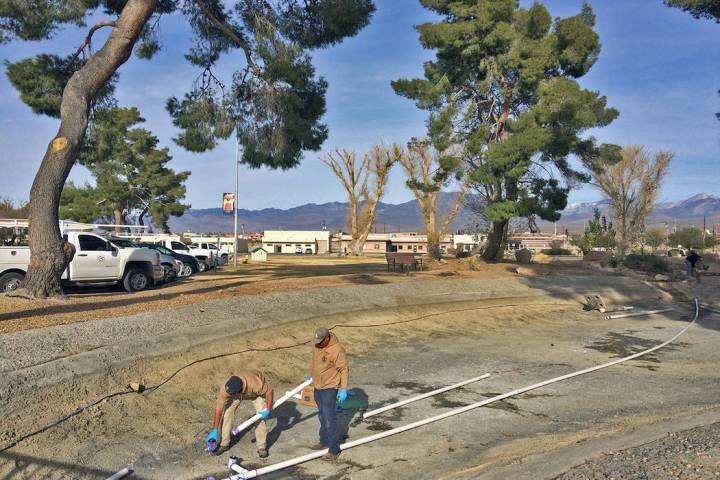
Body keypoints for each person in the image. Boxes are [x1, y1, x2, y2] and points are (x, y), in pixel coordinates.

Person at [205, 370, 274, 458]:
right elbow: (219, 409)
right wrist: (215, 429)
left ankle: (261, 447)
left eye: (230, 394)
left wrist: (268, 409)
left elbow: (269, 391)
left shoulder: (255, 384)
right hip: (237, 394)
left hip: (256, 394)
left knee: (260, 417)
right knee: (227, 413)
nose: (227, 394)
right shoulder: (226, 389)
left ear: (238, 391)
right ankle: (224, 444)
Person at [307, 326, 349, 461]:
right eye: (316, 341)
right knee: (321, 415)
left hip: (330, 388)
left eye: (320, 341)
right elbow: (314, 362)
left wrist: (343, 389)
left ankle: (334, 449)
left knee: (330, 418)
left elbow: (344, 369)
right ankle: (323, 440)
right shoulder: (317, 346)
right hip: (317, 386)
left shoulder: (337, 350)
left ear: (327, 337)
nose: (318, 344)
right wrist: (311, 376)